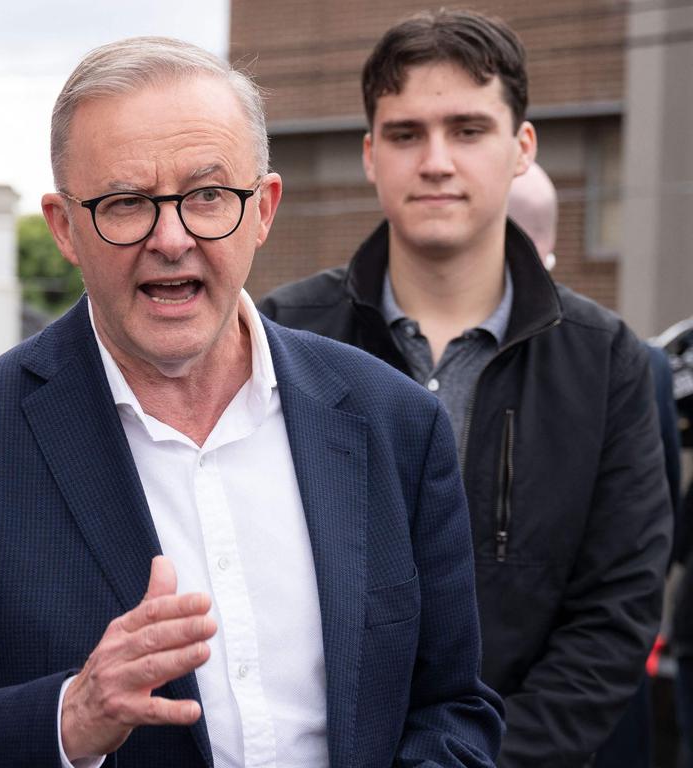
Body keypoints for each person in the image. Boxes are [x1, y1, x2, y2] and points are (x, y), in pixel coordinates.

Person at [0, 36, 503, 767]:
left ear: (263, 208)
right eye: (126, 204)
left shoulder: (395, 423)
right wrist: (70, 719)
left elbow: (451, 707)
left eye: (207, 197)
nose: (171, 238)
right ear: (64, 226)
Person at [260, 10, 672, 766]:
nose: (437, 161)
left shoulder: (607, 362)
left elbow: (615, 615)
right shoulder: (279, 338)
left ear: (522, 149)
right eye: (406, 133)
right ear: (369, 154)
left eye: (469, 129)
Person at [508, 162, 682, 768]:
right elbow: (660, 537)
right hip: (598, 708)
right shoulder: (636, 360)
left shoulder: (617, 361)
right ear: (550, 241)